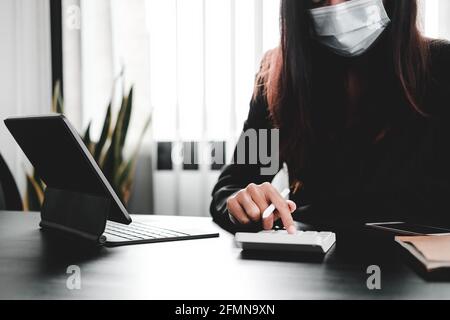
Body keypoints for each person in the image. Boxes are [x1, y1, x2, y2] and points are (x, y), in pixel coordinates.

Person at [210, 0, 450, 234]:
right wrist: (241, 203)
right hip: (313, 257)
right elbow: (236, 182)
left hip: (415, 264)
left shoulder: (442, 66)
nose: (336, 8)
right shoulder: (278, 76)